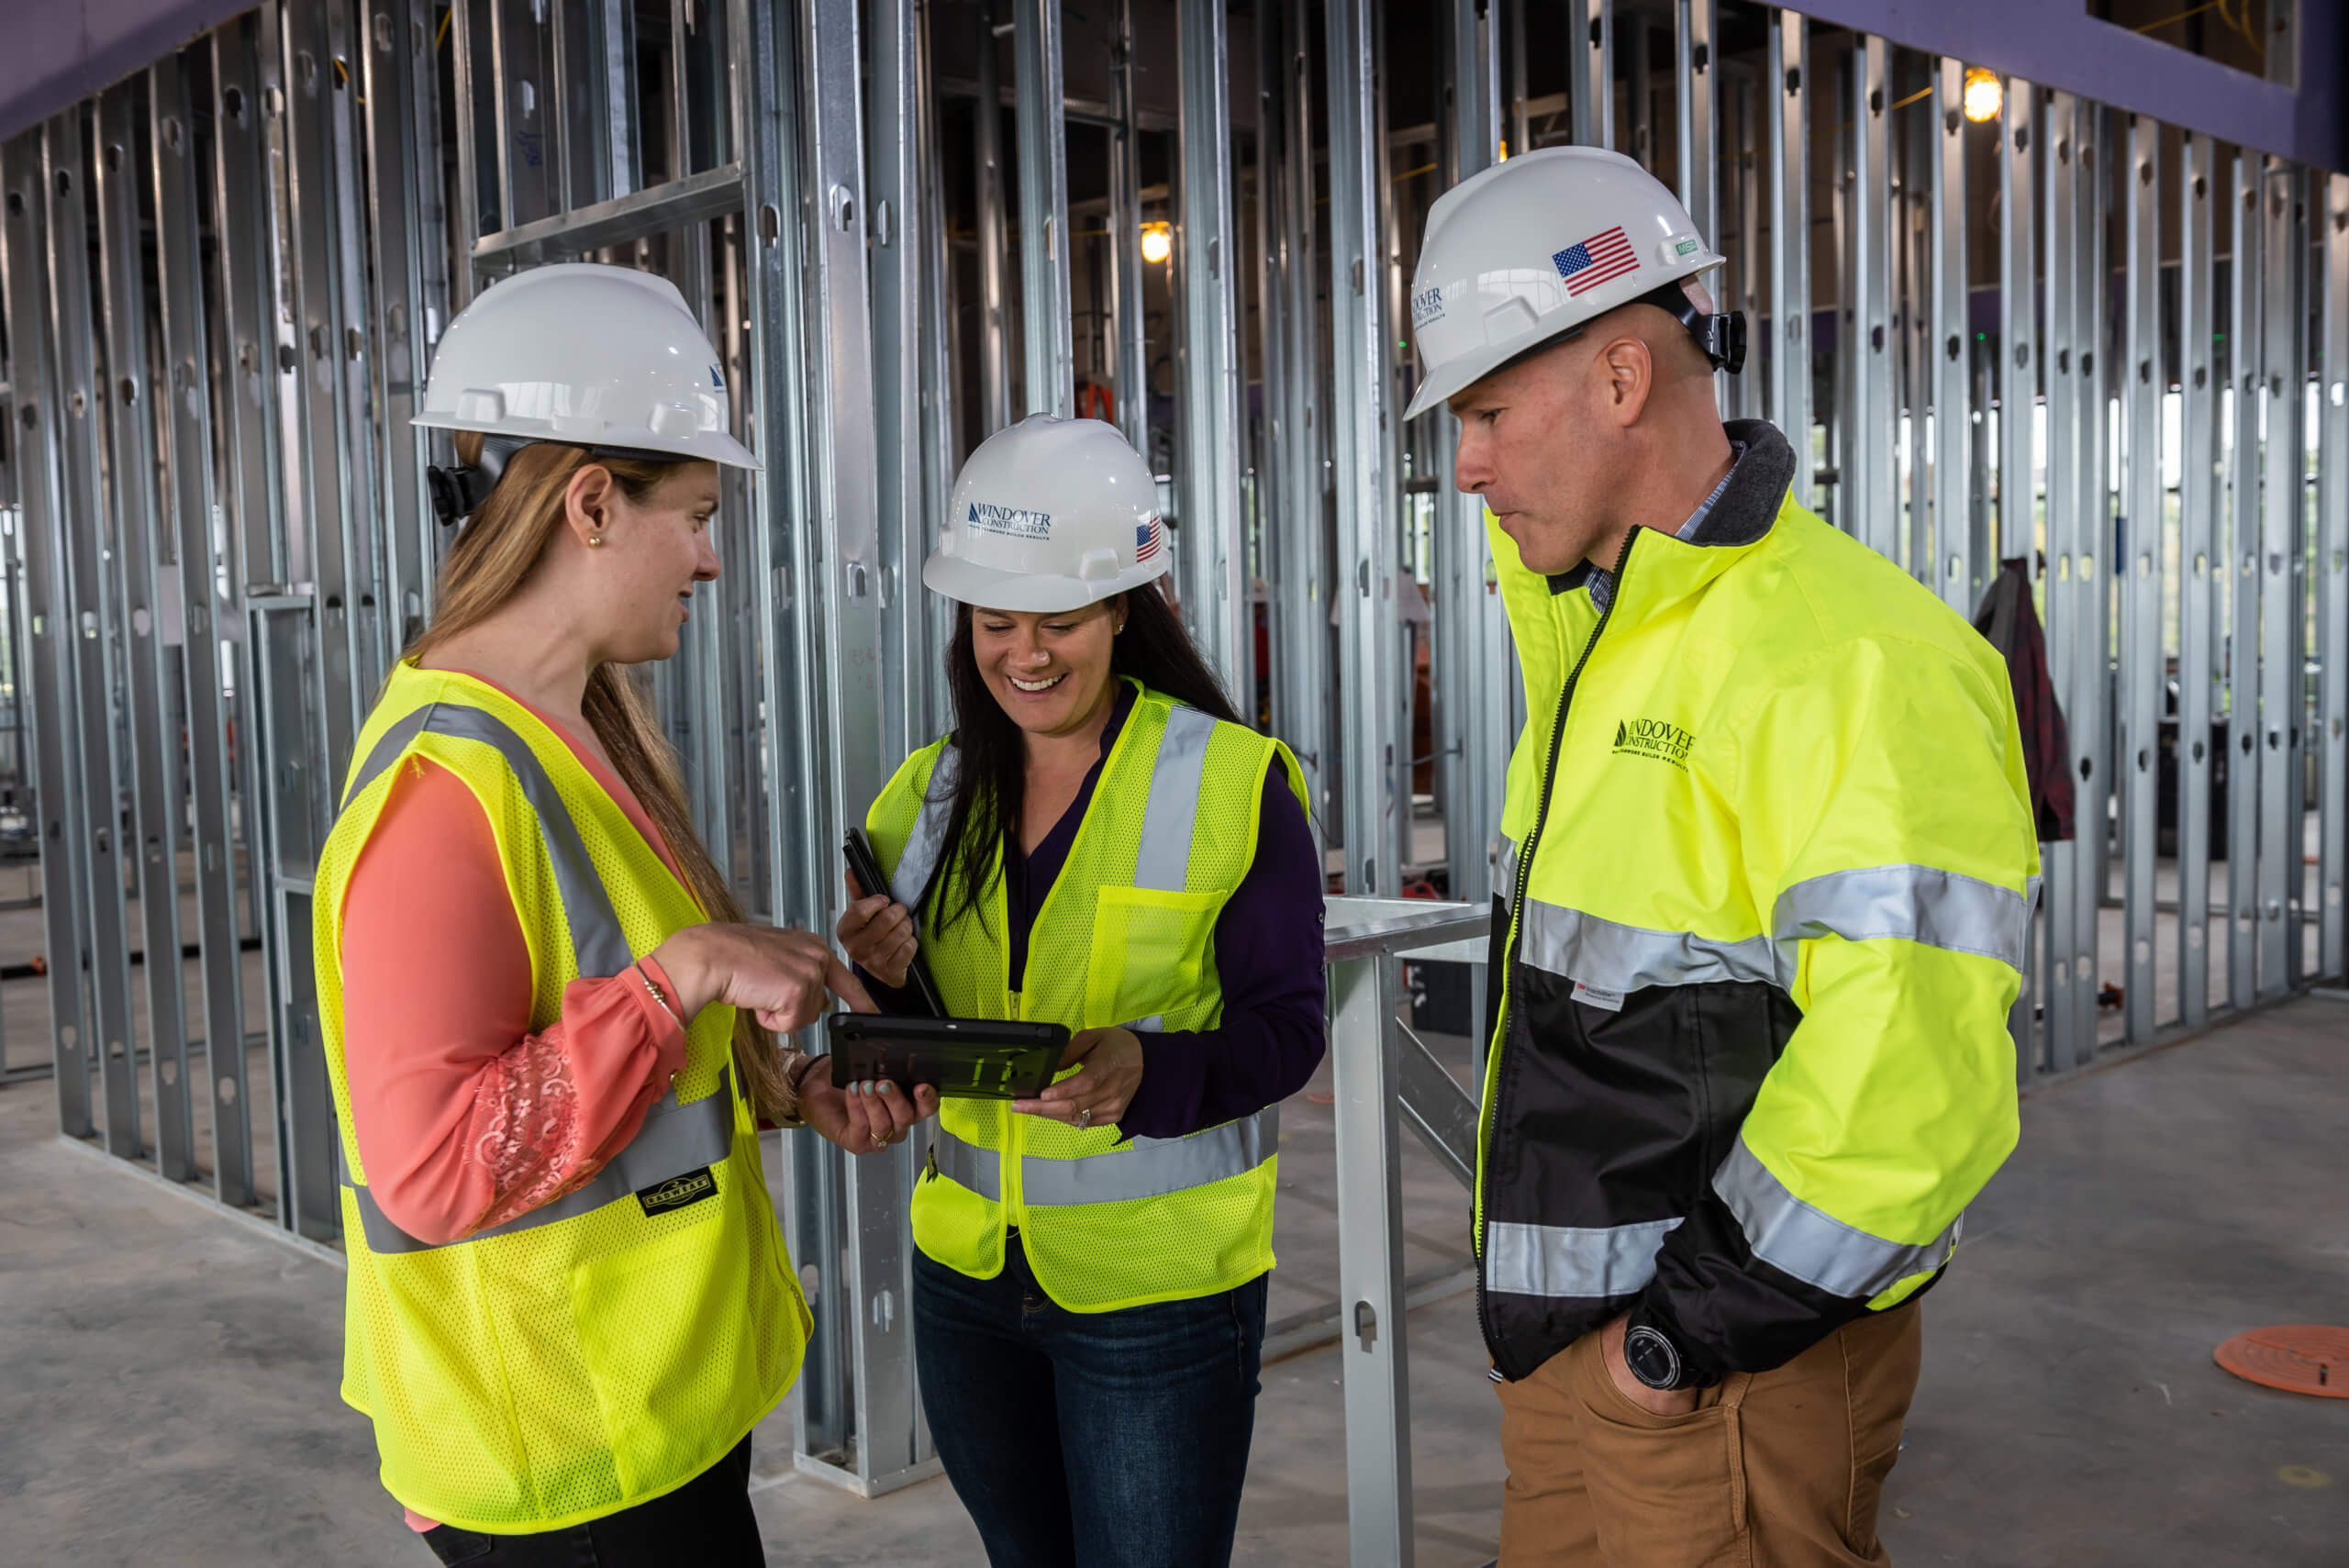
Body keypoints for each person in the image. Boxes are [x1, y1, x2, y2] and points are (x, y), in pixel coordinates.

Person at [1403, 147, 2039, 1565]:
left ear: (1624, 379)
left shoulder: (1852, 655)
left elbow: (1911, 1066)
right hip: (1582, 1361)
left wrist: (1682, 1340)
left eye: (1491, 410)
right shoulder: (1609, 637)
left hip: (1726, 1377)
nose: (1466, 464)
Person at [312, 262, 936, 1566]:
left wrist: (780, 1090)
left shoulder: (571, 731)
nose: (710, 553)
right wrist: (680, 975)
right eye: (697, 513)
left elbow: (621, 1053)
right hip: (561, 1465)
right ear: (590, 503)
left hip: (641, 1424)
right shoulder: (446, 788)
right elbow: (432, 1171)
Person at [835, 415, 1327, 1568]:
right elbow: (926, 1034)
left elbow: (1287, 1031)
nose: (1028, 652)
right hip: (966, 1276)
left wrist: (1149, 1069)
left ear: (1122, 608)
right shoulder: (927, 793)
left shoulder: (1233, 780)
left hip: (1157, 1290)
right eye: (997, 621)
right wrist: (880, 977)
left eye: (1060, 619)